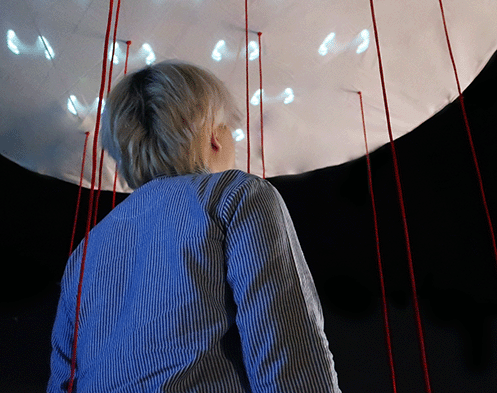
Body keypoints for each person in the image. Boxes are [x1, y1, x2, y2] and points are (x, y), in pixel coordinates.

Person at [48, 61, 341, 392]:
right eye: (229, 128)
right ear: (213, 136)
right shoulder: (236, 195)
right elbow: (288, 350)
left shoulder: (84, 253)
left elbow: (62, 382)